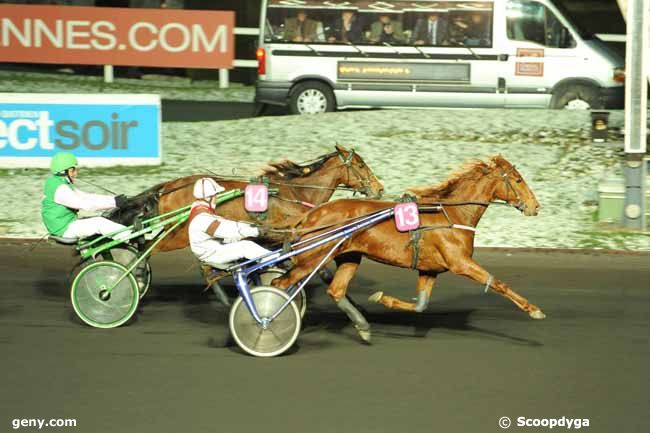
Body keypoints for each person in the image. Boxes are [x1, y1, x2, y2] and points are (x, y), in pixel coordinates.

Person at [41, 152, 132, 240]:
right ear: (64, 171)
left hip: (66, 224)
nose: (75, 174)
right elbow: (86, 205)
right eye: (73, 170)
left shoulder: (58, 182)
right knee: (99, 223)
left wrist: (114, 200)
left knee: (101, 218)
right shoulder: (60, 189)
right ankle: (130, 236)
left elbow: (87, 197)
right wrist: (114, 203)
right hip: (64, 229)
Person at [188, 178, 277, 268]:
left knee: (242, 241)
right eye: (215, 195)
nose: (217, 198)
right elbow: (229, 231)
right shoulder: (203, 218)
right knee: (246, 246)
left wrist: (249, 226)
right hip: (212, 254)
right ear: (209, 198)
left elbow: (227, 225)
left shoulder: (199, 209)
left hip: (211, 248)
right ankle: (275, 260)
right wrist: (257, 231)